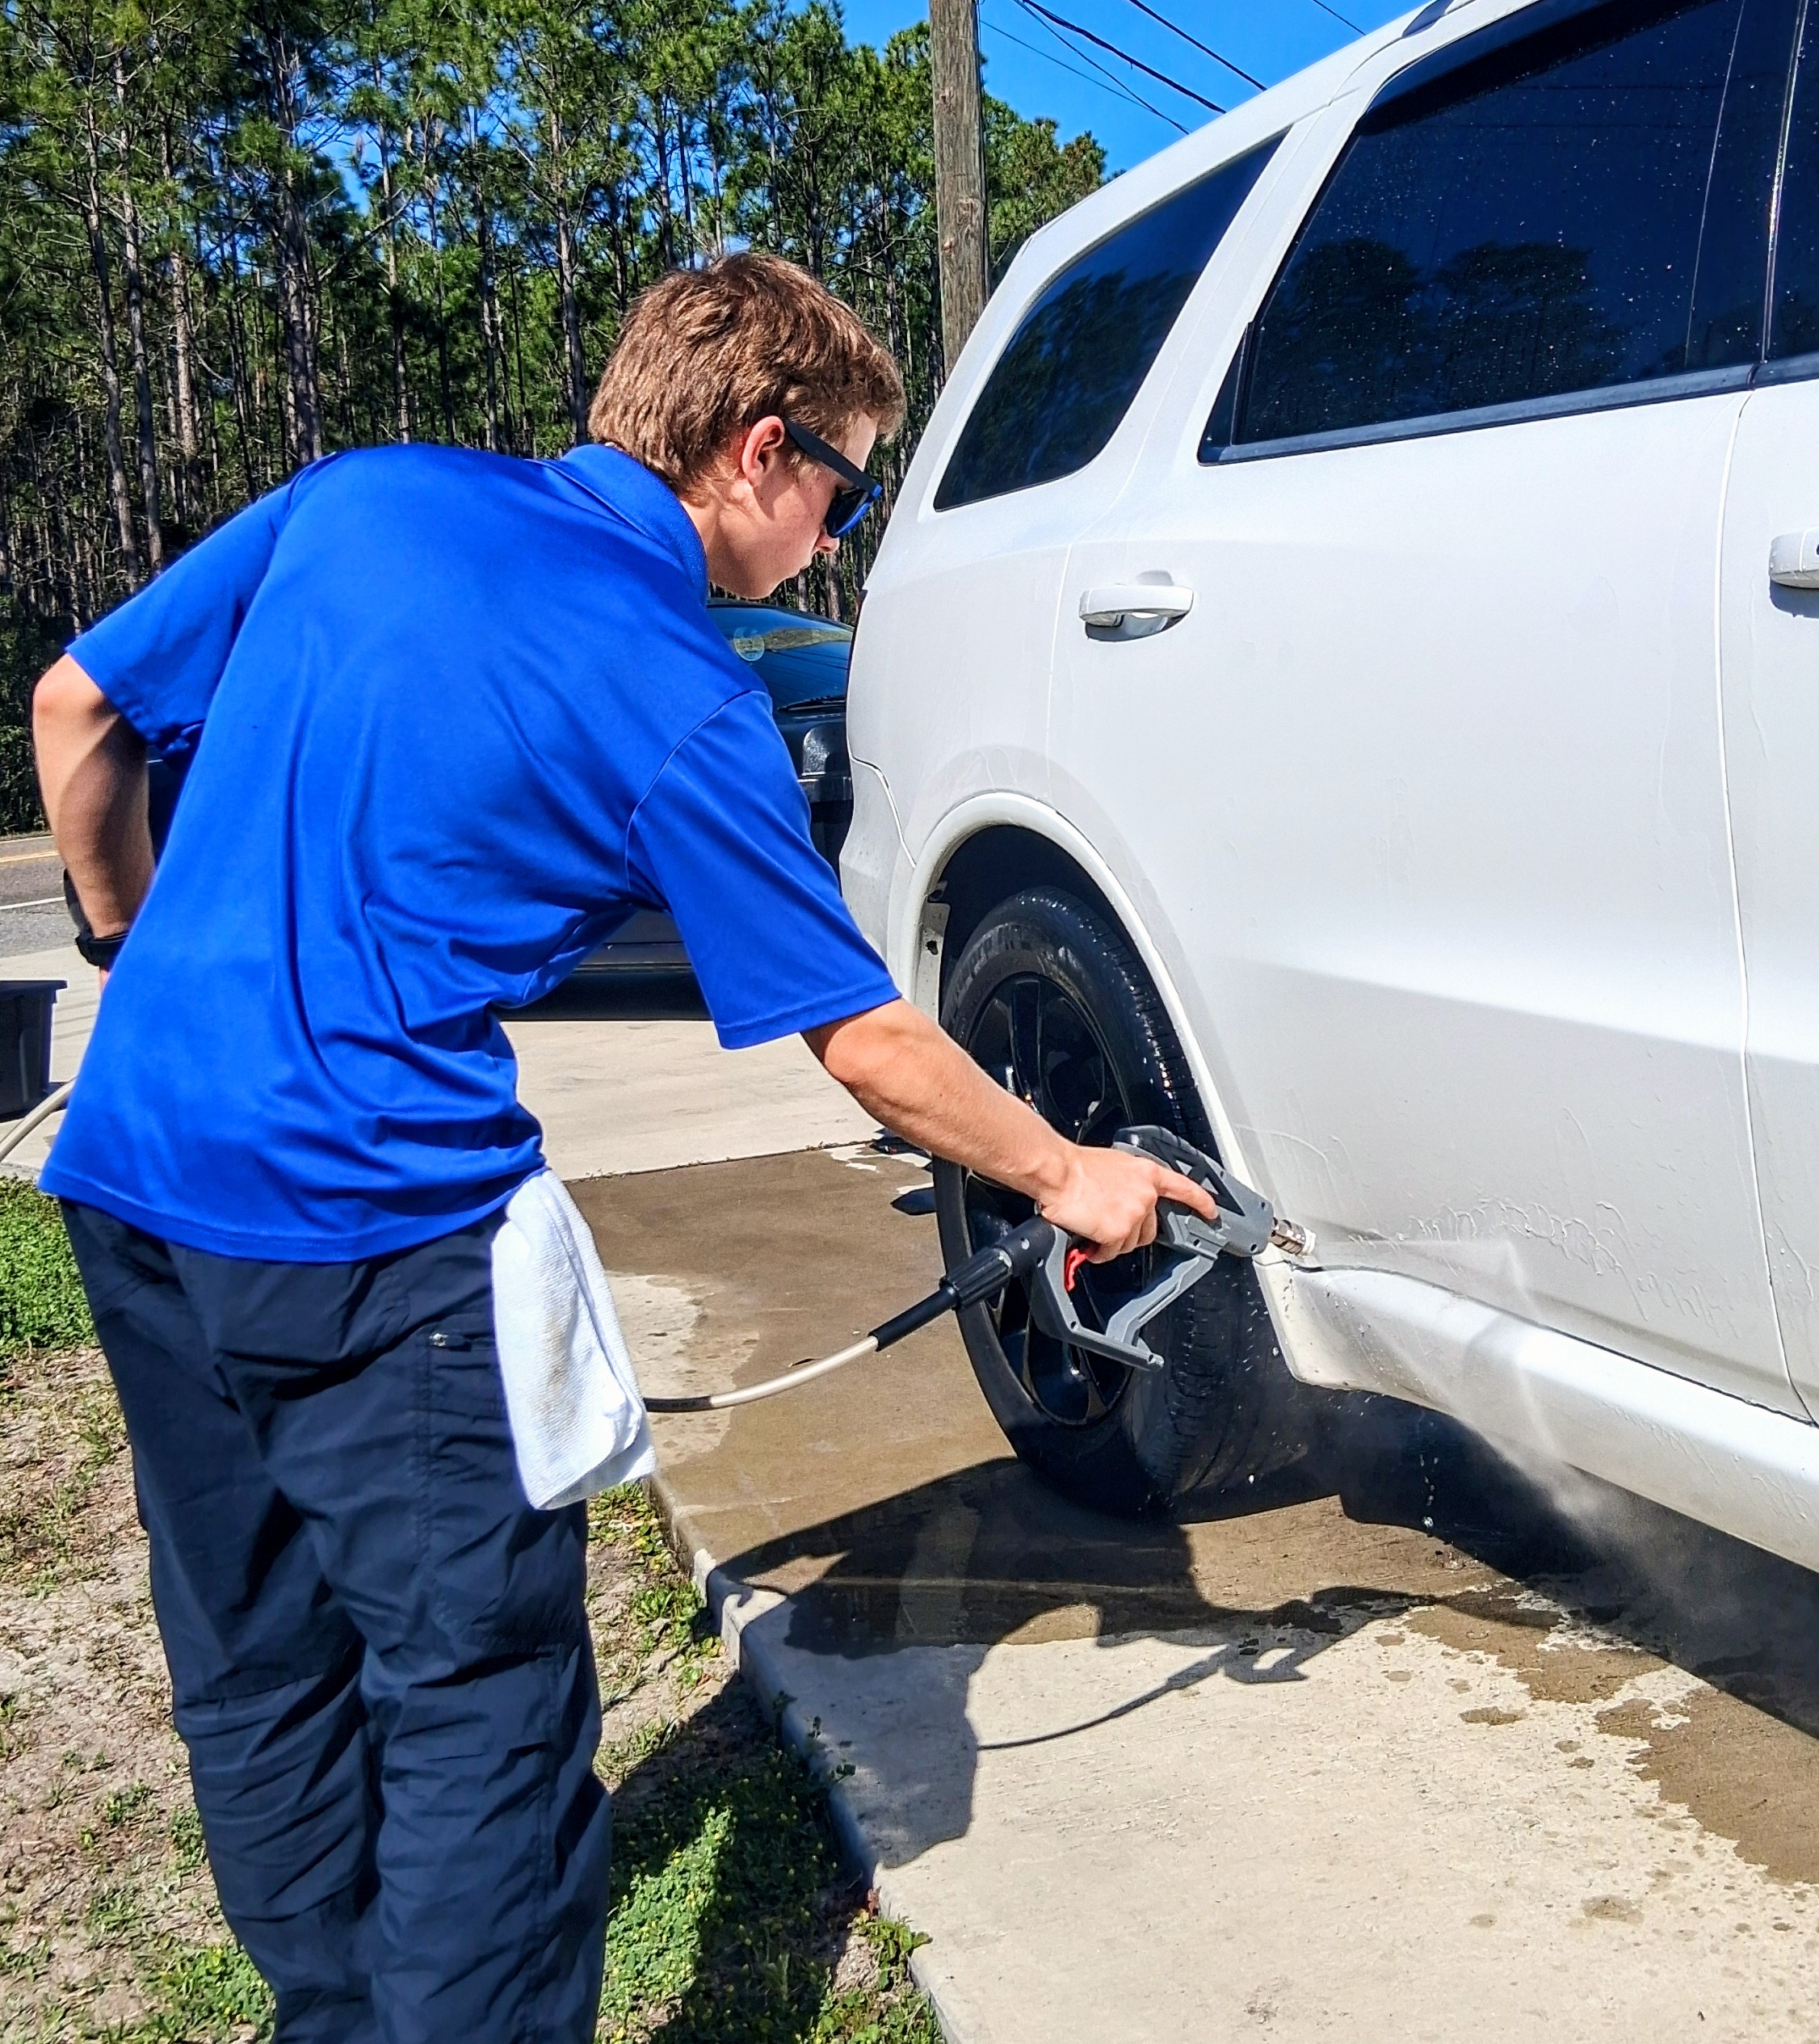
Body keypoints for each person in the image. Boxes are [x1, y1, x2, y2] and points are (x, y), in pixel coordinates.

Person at [28, 250, 1210, 2044]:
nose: (832, 536)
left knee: (254, 1664)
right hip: (375, 1230)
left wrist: (130, 952)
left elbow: (76, 712)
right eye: (844, 488)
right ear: (755, 447)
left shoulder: (367, 495)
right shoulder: (677, 684)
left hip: (131, 1184)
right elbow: (870, 1039)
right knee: (475, 1704)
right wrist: (1070, 1172)